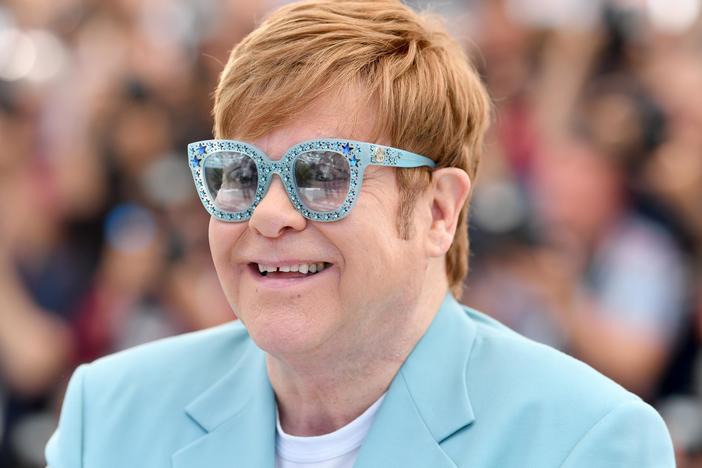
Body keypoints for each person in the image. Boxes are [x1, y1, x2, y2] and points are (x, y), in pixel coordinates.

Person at [45, 0, 675, 466]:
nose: (268, 213)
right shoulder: (106, 413)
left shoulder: (589, 441)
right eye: (238, 173)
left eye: (320, 174)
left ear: (437, 211)